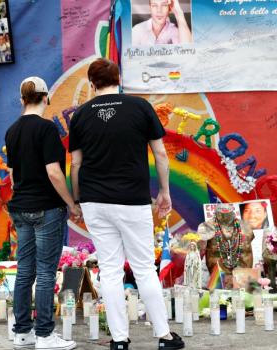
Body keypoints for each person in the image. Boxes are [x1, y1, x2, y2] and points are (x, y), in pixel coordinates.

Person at [69, 58, 184, 350]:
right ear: (118, 79)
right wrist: (165, 193)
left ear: (92, 84)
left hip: (95, 201)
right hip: (132, 200)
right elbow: (160, 155)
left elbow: (76, 164)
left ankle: (119, 341)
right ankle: (164, 337)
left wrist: (78, 200)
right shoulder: (140, 107)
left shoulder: (80, 116)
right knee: (144, 268)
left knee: (109, 271)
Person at [5, 76, 81, 350]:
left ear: (22, 99)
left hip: (20, 207)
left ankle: (22, 332)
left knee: (25, 271)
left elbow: (13, 177)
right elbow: (53, 172)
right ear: (46, 98)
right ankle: (46, 335)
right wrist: (71, 203)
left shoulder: (12, 131)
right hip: (46, 208)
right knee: (47, 272)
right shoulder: (47, 129)